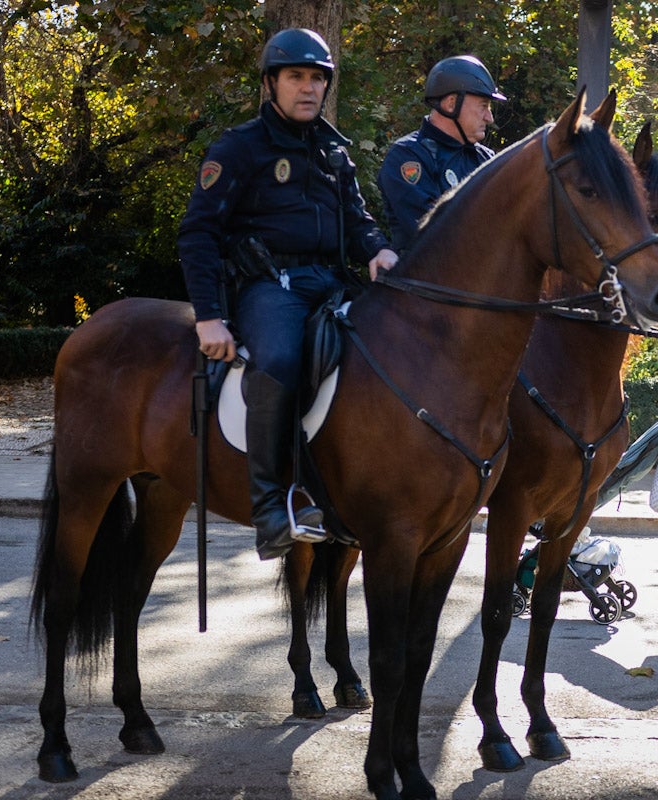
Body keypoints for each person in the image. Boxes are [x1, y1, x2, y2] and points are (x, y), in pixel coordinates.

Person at [178, 28, 399, 560]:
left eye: (317, 77)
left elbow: (357, 216)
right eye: (296, 76)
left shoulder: (332, 149)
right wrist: (209, 317)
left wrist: (377, 249)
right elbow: (198, 233)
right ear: (271, 83)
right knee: (278, 358)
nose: (308, 87)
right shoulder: (239, 148)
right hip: (268, 286)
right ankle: (270, 506)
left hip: (330, 280)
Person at [379, 55, 506, 253]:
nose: (489, 117)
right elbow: (432, 233)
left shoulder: (485, 158)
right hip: (423, 280)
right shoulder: (407, 156)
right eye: (483, 106)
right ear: (451, 104)